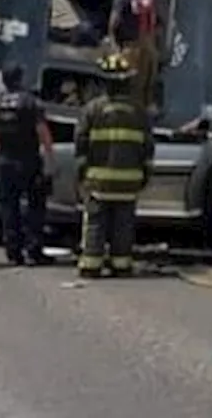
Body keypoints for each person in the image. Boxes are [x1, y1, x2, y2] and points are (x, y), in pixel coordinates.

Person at [73, 53, 154, 278]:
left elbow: (81, 145)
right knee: (123, 225)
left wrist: (81, 173)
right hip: (129, 182)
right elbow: (148, 147)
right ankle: (121, 265)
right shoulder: (140, 112)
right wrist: (145, 174)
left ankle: (91, 264)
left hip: (99, 181)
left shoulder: (92, 110)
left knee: (96, 223)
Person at [0, 61, 56, 266]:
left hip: (5, 161)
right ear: (20, 78)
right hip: (28, 160)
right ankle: (34, 251)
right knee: (35, 206)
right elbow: (42, 131)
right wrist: (50, 159)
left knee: (9, 208)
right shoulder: (31, 102)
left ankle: (13, 252)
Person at [106, 0, 159, 110]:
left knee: (131, 86)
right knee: (147, 84)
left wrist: (114, 47)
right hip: (150, 47)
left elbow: (114, 24)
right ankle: (148, 108)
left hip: (131, 48)